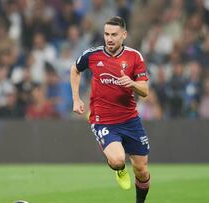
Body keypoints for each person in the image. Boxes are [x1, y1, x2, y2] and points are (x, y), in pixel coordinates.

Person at [70, 16, 150, 203]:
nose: (109, 38)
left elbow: (145, 90)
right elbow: (75, 69)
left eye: (114, 34)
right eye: (106, 34)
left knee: (142, 170)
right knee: (117, 160)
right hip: (103, 119)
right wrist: (76, 99)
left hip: (130, 119)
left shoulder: (134, 56)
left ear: (124, 35)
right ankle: (119, 170)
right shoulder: (92, 55)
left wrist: (131, 83)